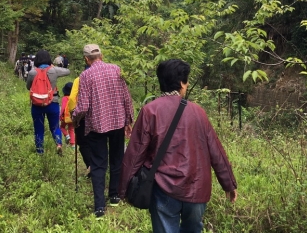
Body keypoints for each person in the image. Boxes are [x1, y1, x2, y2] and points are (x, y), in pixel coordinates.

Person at [119, 59, 238, 233]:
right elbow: (216, 151)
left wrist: (123, 189)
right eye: (187, 80)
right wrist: (229, 184)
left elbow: (135, 153)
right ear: (182, 83)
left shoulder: (150, 111)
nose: (187, 84)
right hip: (197, 189)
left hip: (162, 188)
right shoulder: (199, 113)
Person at [72, 44, 134, 219]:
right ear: (102, 55)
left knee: (99, 163)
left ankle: (99, 207)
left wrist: (74, 117)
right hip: (117, 122)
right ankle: (114, 195)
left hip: (97, 125)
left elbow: (83, 106)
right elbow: (126, 97)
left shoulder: (86, 75)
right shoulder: (116, 69)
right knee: (117, 159)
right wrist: (129, 120)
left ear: (86, 59)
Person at [26, 49, 70, 154]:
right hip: (52, 102)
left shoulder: (32, 72)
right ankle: (58, 144)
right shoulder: (54, 70)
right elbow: (68, 71)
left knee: (38, 129)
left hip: (37, 104)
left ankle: (40, 152)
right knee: (55, 126)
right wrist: (54, 68)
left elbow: (28, 87)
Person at [60, 82, 75, 147]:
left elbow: (63, 107)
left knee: (62, 127)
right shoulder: (74, 97)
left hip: (65, 117)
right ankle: (72, 144)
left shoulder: (65, 98)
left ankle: (67, 135)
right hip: (72, 116)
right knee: (71, 129)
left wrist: (60, 115)